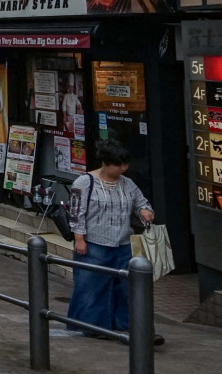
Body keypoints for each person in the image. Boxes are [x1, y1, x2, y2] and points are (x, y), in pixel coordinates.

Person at [65, 140, 156, 341]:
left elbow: (141, 203)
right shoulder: (85, 182)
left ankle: (126, 326)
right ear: (105, 163)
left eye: (125, 164)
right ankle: (93, 327)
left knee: (125, 288)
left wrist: (145, 212)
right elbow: (76, 212)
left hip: (123, 244)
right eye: (118, 164)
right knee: (92, 286)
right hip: (94, 242)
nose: (123, 169)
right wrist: (79, 238)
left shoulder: (128, 184)